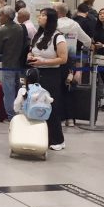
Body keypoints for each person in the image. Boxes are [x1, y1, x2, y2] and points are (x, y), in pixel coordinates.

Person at [27, 8, 68, 151]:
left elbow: (63, 59)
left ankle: (57, 139)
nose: (40, 17)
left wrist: (43, 61)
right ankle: (39, 137)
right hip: (36, 73)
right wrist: (30, 56)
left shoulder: (58, 37)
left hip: (51, 74)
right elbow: (32, 50)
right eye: (40, 15)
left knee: (51, 106)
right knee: (34, 105)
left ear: (50, 18)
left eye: (43, 15)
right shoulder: (38, 35)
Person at [0, 6, 26, 120]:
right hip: (19, 64)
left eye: (1, 15)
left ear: (6, 16)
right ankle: (18, 112)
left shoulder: (3, 30)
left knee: (8, 91)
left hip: (7, 64)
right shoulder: (20, 28)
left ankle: (11, 115)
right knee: (18, 89)